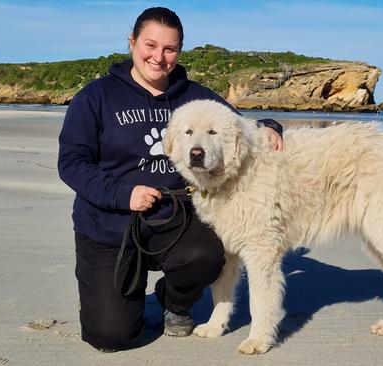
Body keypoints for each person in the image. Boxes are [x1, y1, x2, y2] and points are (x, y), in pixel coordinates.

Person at [57, 7, 283, 352]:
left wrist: (270, 125)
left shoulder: (194, 96)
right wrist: (122, 193)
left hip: (173, 221)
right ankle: (114, 298)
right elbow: (71, 163)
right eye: (150, 45)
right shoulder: (96, 97)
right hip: (108, 227)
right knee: (112, 336)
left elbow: (238, 128)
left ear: (179, 51)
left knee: (210, 253)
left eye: (170, 49)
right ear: (131, 42)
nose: (159, 57)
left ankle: (173, 302)